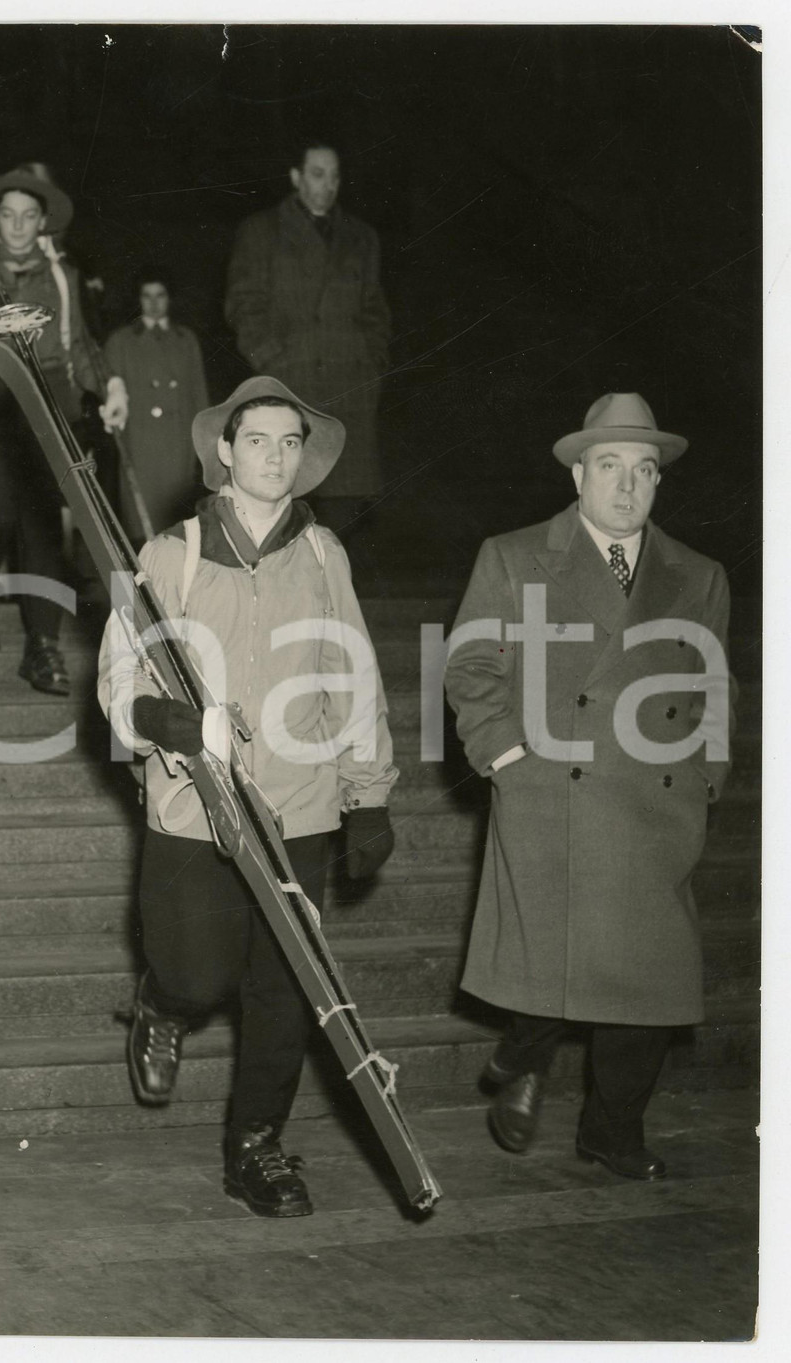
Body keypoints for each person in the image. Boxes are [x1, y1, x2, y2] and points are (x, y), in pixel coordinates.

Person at [97, 376, 398, 1217]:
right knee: (198, 971)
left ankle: (255, 1148)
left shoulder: (323, 554)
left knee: (284, 989)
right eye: (257, 440)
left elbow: (355, 676)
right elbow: (120, 671)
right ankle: (159, 1003)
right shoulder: (174, 552)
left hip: (299, 806)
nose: (274, 456)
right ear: (224, 452)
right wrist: (154, 715)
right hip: (196, 806)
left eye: (290, 443)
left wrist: (368, 793)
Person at [444, 392, 735, 1181]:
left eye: (644, 470)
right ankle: (521, 1061)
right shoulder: (512, 556)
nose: (628, 485)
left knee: (646, 987)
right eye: (610, 466)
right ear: (578, 475)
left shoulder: (698, 576)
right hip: (551, 792)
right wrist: (502, 753)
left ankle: (613, 1130)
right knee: (546, 968)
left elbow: (713, 686)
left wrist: (707, 778)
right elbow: (470, 666)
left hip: (653, 805)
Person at [0, 163, 127, 692]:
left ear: (42, 221)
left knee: (43, 525)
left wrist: (111, 384)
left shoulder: (61, 277)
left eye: (29, 216)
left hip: (51, 414)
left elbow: (80, 344)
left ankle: (43, 644)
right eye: (9, 215)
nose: (19, 226)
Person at [225, 140, 391, 535]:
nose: (328, 185)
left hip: (348, 395)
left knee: (340, 526)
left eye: (335, 177)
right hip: (288, 392)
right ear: (296, 177)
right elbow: (243, 306)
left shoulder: (363, 238)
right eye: (318, 174)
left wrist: (371, 367)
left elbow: (376, 313)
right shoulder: (261, 231)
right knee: (282, 515)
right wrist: (272, 363)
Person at [103, 267, 208, 535]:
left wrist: (203, 444)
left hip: (179, 443)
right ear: (137, 299)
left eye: (160, 295)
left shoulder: (186, 340)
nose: (153, 302)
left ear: (170, 298)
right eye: (146, 295)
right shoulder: (121, 341)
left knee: (178, 522)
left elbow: (199, 395)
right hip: (141, 444)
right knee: (142, 521)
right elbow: (109, 394)